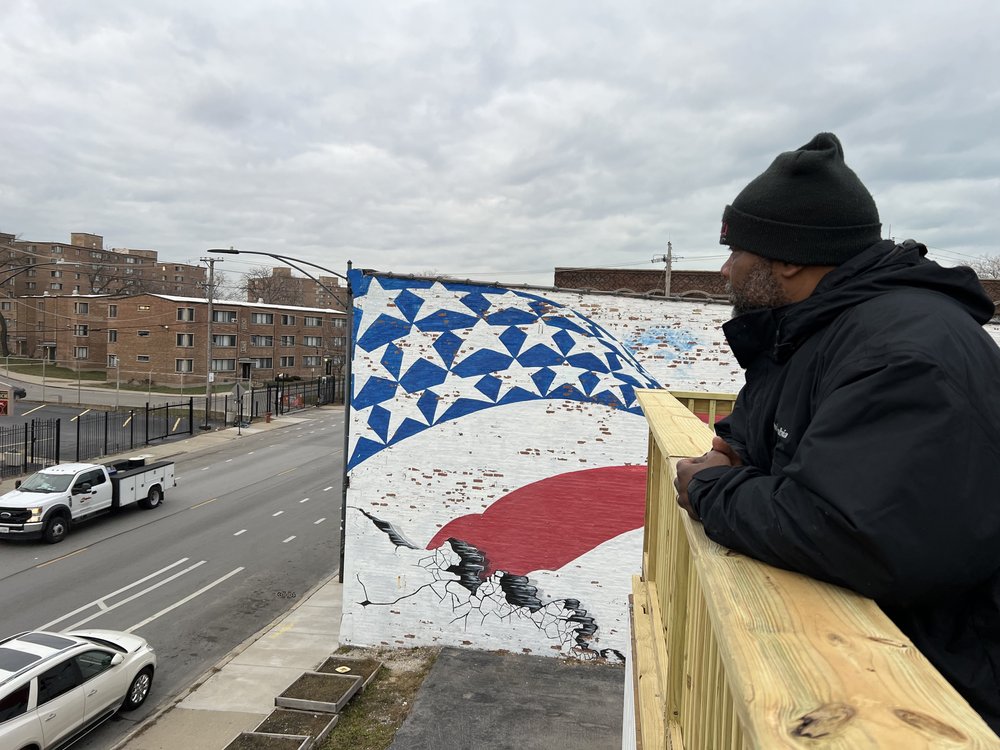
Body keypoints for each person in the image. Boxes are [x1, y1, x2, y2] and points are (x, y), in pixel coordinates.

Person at [674, 132, 1000, 734]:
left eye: (736, 251)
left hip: (940, 694)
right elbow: (764, 422)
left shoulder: (902, 353)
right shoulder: (816, 330)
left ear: (789, 257)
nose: (724, 270)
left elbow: (859, 535)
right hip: (893, 664)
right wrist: (734, 447)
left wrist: (708, 491)